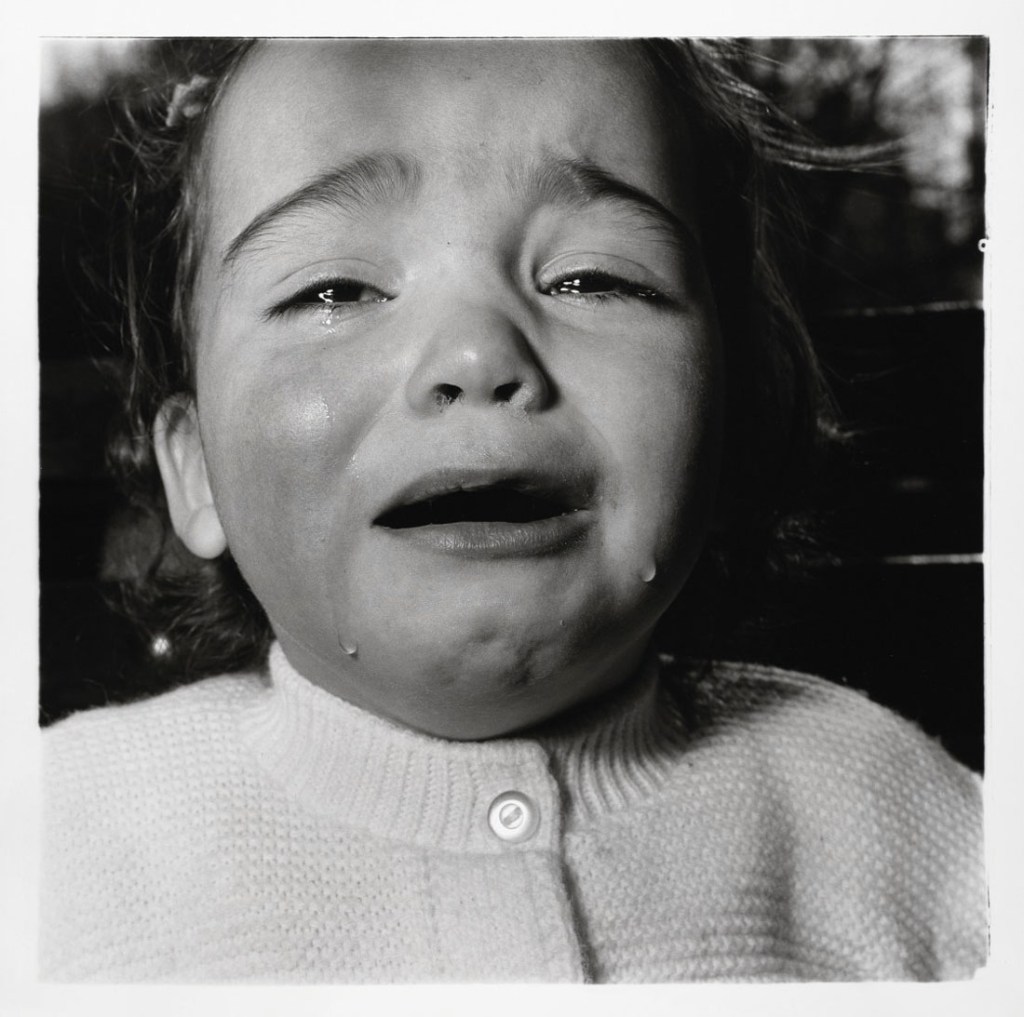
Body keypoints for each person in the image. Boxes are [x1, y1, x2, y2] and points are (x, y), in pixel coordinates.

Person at [39, 38, 987, 982]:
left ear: (732, 422)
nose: (477, 354)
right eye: (333, 288)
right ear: (197, 467)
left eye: (594, 278)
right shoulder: (52, 847)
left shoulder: (915, 832)